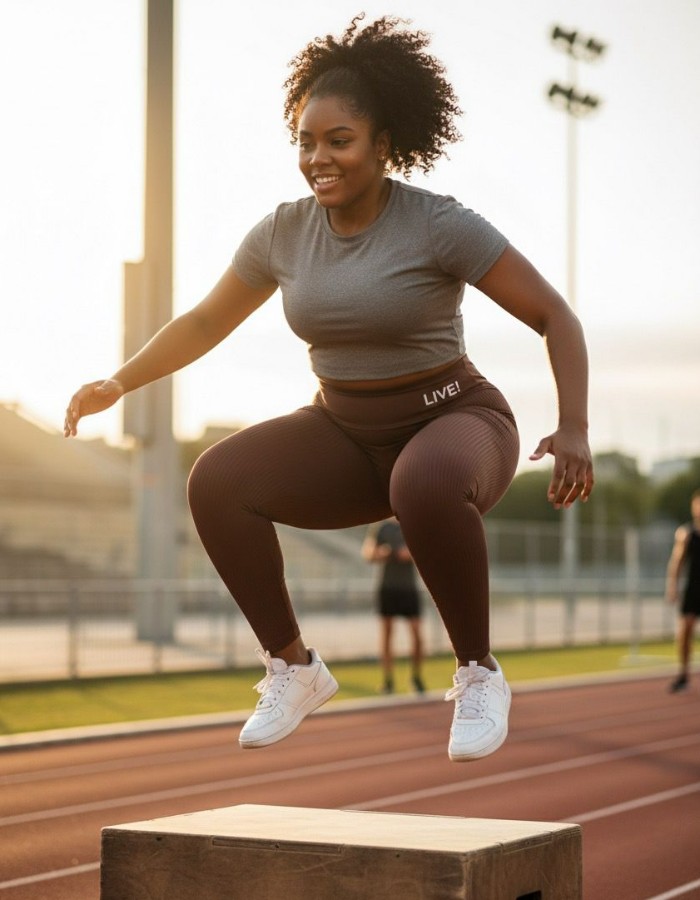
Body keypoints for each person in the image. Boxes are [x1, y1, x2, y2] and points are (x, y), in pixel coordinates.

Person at [64, 14, 593, 762]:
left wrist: (573, 425)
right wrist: (119, 381)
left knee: (425, 481)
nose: (319, 158)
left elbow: (554, 314)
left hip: (455, 420)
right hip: (345, 432)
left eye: (338, 141)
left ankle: (478, 672)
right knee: (216, 479)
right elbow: (206, 320)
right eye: (306, 142)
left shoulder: (440, 224)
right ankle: (294, 667)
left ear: (383, 144)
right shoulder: (281, 233)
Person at [362, 517, 426, 694]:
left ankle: (416, 678)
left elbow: (423, 550)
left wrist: (407, 553)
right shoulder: (380, 527)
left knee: (417, 634)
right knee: (387, 633)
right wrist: (380, 553)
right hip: (387, 587)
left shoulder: (412, 523)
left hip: (409, 588)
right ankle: (388, 681)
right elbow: (368, 552)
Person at [665, 489, 700, 693]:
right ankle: (683, 674)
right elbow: (676, 562)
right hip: (693, 588)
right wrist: (672, 587)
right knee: (685, 629)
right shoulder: (686, 534)